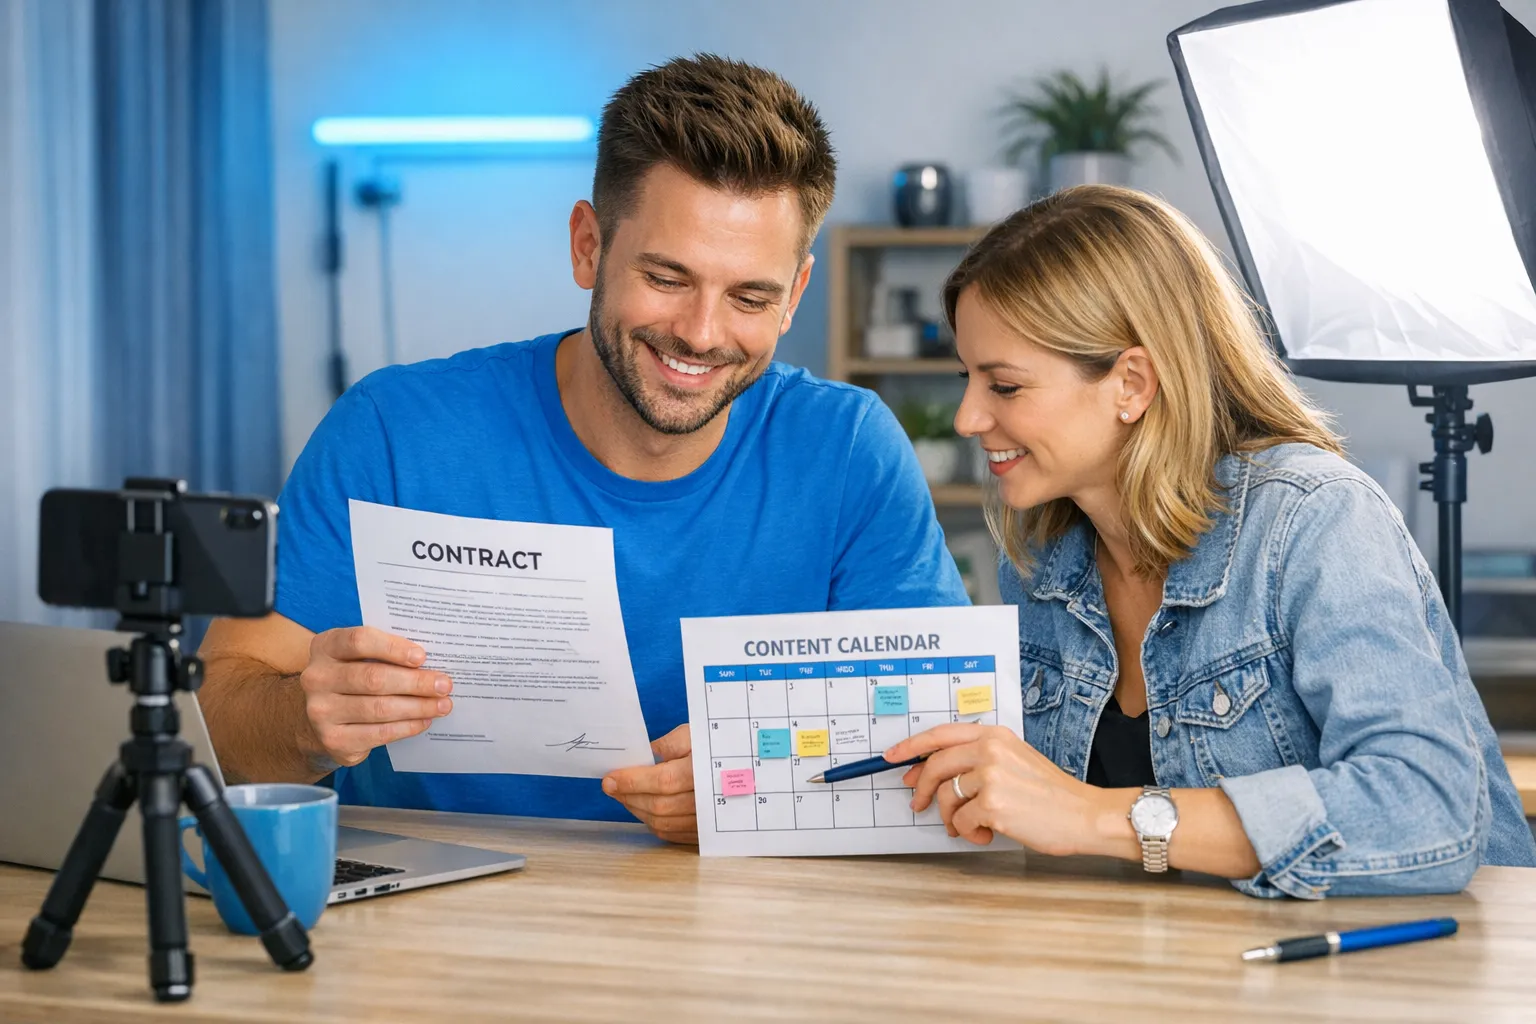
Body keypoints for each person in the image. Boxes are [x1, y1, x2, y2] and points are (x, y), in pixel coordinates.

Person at [197, 54, 967, 845]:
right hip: (426, 921)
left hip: (745, 922)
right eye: (667, 277)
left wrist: (763, 793)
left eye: (750, 297)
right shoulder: (393, 431)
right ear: (588, 246)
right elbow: (217, 725)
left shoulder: (847, 449)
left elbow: (945, 751)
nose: (702, 334)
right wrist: (303, 718)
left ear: (795, 294)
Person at [883, 185, 1536, 898]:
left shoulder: (1313, 521)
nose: (968, 418)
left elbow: (1428, 810)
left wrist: (1098, 817)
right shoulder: (1041, 561)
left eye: (1003, 386)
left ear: (1131, 382)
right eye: (967, 379)